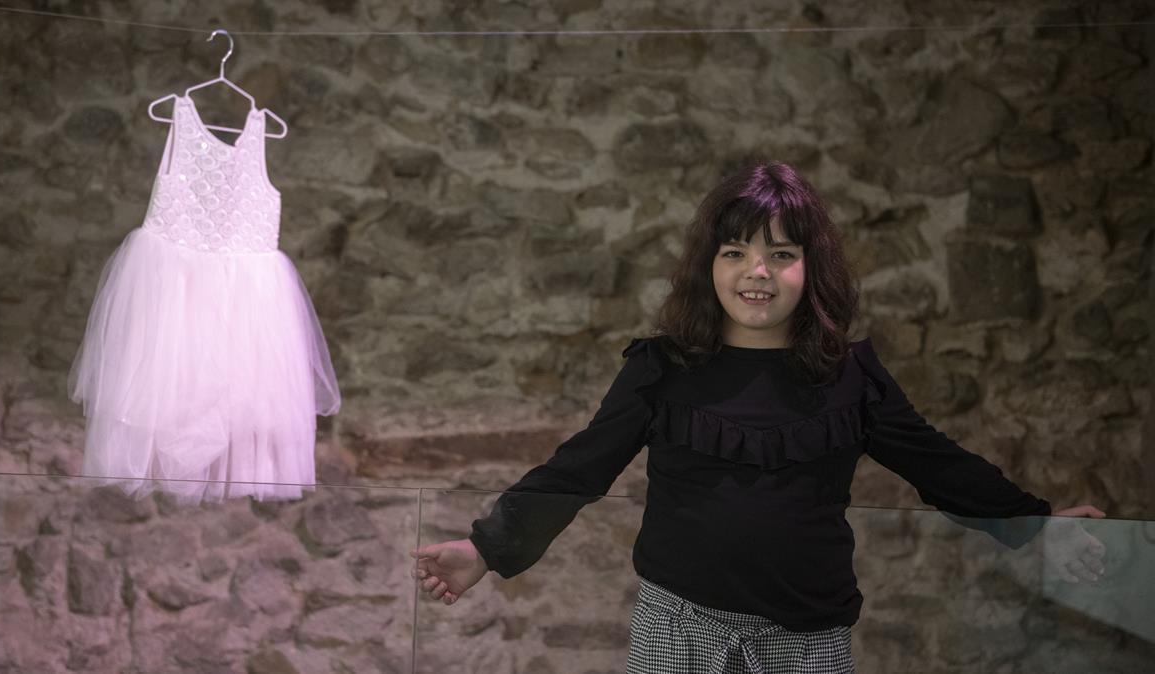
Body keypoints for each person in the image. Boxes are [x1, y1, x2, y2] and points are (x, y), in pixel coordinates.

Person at [410, 161, 1106, 673]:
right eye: (736, 252)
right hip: (677, 630)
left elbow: (938, 465)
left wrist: (1037, 523)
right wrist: (487, 549)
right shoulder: (662, 367)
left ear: (811, 267)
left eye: (781, 254)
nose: (758, 272)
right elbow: (579, 468)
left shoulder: (851, 376)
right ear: (709, 265)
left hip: (809, 641)